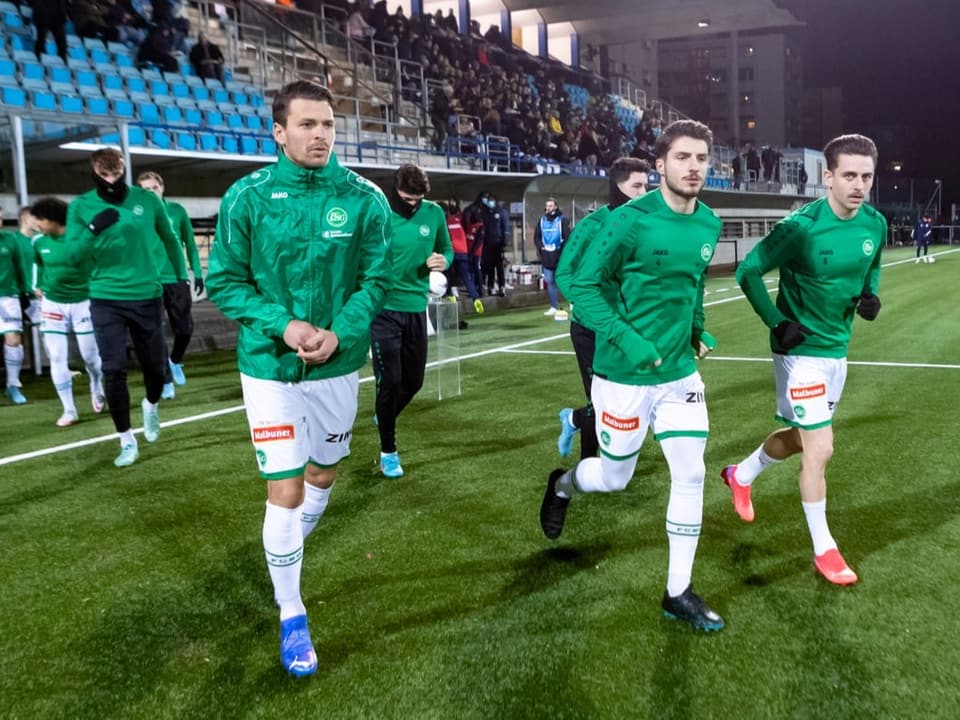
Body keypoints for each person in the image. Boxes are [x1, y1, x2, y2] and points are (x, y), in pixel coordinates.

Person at [205, 80, 393, 678]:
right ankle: (292, 611)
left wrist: (339, 332)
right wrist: (285, 326)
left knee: (322, 474)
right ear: (279, 132)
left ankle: (285, 550)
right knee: (284, 489)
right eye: (307, 125)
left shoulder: (365, 198)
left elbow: (378, 279)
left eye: (328, 125)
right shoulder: (247, 197)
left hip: (339, 363)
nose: (320, 135)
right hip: (268, 366)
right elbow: (227, 282)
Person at [542, 120, 724, 631]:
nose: (694, 167)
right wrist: (627, 339)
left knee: (691, 474)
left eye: (701, 158)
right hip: (622, 375)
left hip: (679, 377)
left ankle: (677, 591)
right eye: (683, 157)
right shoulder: (629, 221)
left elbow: (691, 286)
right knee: (614, 477)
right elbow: (579, 282)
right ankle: (563, 485)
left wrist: (696, 329)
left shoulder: (709, 223)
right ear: (661, 165)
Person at [720, 134, 885, 586]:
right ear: (827, 177)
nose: (858, 185)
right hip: (799, 352)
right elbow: (747, 270)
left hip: (837, 351)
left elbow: (871, 270)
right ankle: (824, 549)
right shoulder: (800, 228)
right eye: (848, 175)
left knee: (801, 439)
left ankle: (741, 473)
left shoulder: (874, 224)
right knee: (822, 447)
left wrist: (871, 297)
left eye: (866, 176)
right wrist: (775, 321)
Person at [65, 147, 187, 467]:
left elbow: (171, 238)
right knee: (113, 368)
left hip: (147, 294)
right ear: (94, 174)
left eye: (116, 174)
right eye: (104, 176)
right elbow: (72, 257)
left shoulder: (147, 201)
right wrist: (93, 230)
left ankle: (150, 405)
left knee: (155, 369)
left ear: (124, 170)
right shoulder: (81, 207)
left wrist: (181, 277)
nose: (111, 180)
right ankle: (126, 440)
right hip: (105, 297)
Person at [556, 158, 649, 461]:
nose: (644, 192)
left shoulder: (646, 226)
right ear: (617, 187)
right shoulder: (591, 226)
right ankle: (589, 462)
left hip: (626, 330)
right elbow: (564, 273)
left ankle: (573, 420)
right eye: (637, 186)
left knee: (627, 399)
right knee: (598, 399)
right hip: (590, 328)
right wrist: (589, 307)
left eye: (646, 186)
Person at [371, 165, 452, 478]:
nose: (413, 205)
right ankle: (388, 452)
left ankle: (385, 413)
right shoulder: (378, 213)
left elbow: (446, 248)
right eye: (407, 199)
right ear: (395, 190)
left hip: (417, 307)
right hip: (383, 309)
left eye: (418, 199)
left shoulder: (433, 213)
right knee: (389, 381)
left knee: (414, 382)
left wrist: (444, 260)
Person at [30, 197, 105, 426]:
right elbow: (38, 265)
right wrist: (37, 285)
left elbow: (99, 264)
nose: (37, 225)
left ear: (54, 220)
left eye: (40, 220)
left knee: (90, 358)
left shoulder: (82, 239)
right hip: (53, 304)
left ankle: (96, 383)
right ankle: (69, 410)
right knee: (57, 357)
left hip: (83, 303)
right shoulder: (38, 241)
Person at [137, 171, 203, 395]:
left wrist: (198, 272)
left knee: (184, 329)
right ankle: (165, 379)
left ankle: (174, 360)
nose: (151, 192)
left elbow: (190, 243)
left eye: (154, 188)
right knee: (155, 332)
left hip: (177, 277)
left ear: (162, 188)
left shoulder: (177, 211)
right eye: (146, 190)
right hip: (150, 280)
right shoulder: (137, 214)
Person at [0, 209, 32, 405]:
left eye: (1, 217)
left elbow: (20, 267)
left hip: (8, 297)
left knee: (13, 339)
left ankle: (13, 385)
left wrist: (25, 291)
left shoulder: (10, 239)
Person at [533, 197, 571, 316]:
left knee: (564, 281)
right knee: (550, 282)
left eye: (550, 206)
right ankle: (554, 306)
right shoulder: (542, 221)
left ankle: (572, 303)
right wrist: (542, 248)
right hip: (547, 256)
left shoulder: (562, 220)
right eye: (547, 206)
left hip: (560, 256)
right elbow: (537, 237)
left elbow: (567, 237)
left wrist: (559, 248)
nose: (548, 208)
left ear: (555, 207)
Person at [444, 199, 483, 312]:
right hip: (463, 251)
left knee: (448, 275)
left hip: (451, 251)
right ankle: (476, 299)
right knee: (466, 277)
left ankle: (451, 296)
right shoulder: (461, 220)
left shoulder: (446, 222)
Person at [479, 193, 507, 296]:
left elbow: (505, 228)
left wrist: (504, 243)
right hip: (487, 244)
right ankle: (490, 287)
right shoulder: (485, 213)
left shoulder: (500, 212)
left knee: (499, 267)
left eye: (491, 200)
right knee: (489, 267)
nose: (490, 202)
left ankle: (502, 286)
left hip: (498, 244)